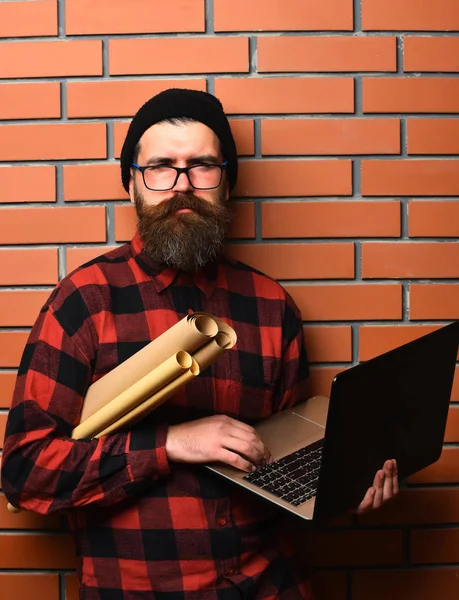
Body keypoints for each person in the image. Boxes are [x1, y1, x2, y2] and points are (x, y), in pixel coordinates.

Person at [1, 89, 398, 600]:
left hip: (271, 587)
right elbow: (25, 472)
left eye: (202, 166)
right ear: (131, 186)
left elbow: (290, 462)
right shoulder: (83, 302)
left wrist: (347, 486)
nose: (182, 186)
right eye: (161, 167)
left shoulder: (272, 306)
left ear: (226, 183)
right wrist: (170, 444)